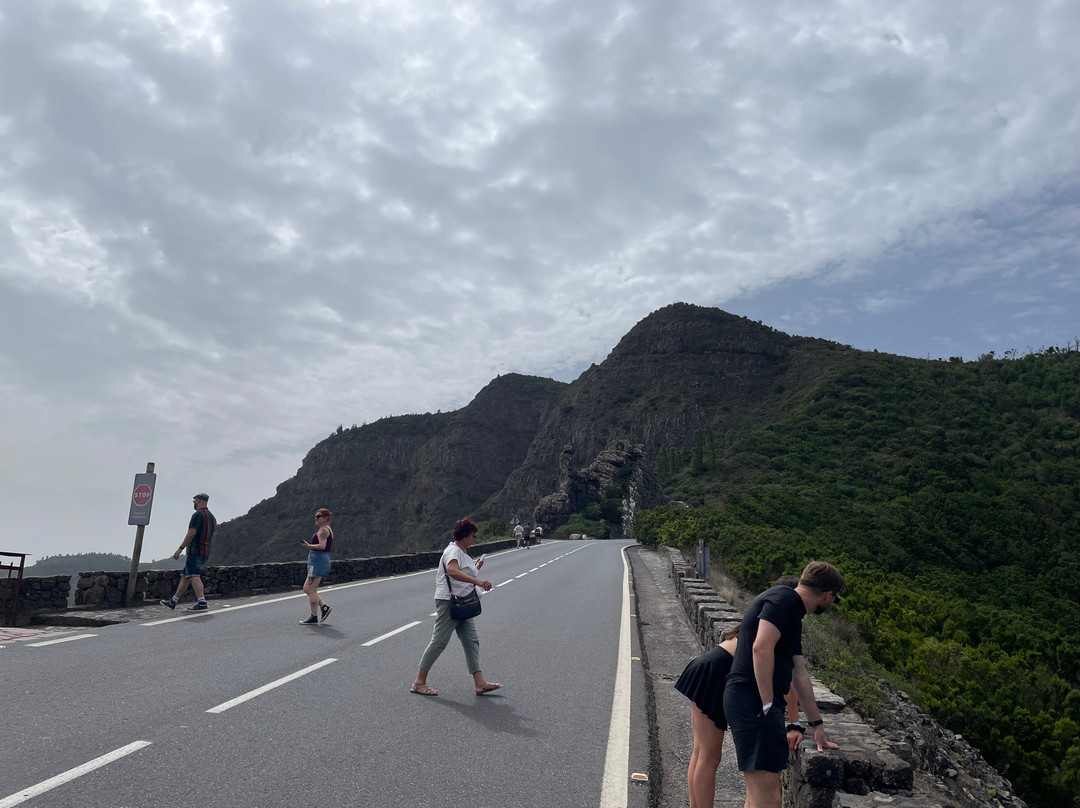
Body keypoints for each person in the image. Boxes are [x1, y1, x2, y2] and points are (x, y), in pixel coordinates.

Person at [722, 561, 845, 808]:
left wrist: (816, 725)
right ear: (828, 595)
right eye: (833, 599)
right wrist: (767, 701)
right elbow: (760, 647)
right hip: (753, 703)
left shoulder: (790, 610)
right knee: (768, 799)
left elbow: (799, 674)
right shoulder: (784, 600)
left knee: (757, 794)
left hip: (750, 701)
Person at [675, 577, 802, 808]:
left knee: (701, 753)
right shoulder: (779, 623)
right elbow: (789, 681)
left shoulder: (763, 616)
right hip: (714, 674)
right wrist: (795, 722)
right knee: (709, 756)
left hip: (708, 667)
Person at [410, 517, 501, 697]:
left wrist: (475, 568)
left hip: (462, 602)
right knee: (439, 641)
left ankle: (480, 683)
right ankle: (419, 682)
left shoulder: (461, 552)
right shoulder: (453, 551)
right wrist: (478, 581)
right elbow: (452, 571)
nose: (474, 539)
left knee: (471, 641)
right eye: (473, 535)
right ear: (465, 535)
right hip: (450, 601)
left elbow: (460, 571)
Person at [160, 493, 217, 611]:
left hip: (195, 550)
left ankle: (202, 603)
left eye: (194, 501)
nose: (194, 503)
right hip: (205, 551)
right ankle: (173, 602)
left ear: (199, 501)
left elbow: (191, 533)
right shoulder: (212, 517)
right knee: (185, 576)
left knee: (194, 576)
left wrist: (180, 548)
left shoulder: (197, 515)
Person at [298, 508, 334, 625]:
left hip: (318, 561)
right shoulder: (324, 529)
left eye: (318, 516)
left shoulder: (324, 530)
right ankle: (323, 607)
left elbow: (323, 546)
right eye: (315, 517)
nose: (316, 519)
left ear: (325, 518)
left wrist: (309, 545)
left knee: (312, 589)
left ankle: (314, 617)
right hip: (317, 561)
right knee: (306, 588)